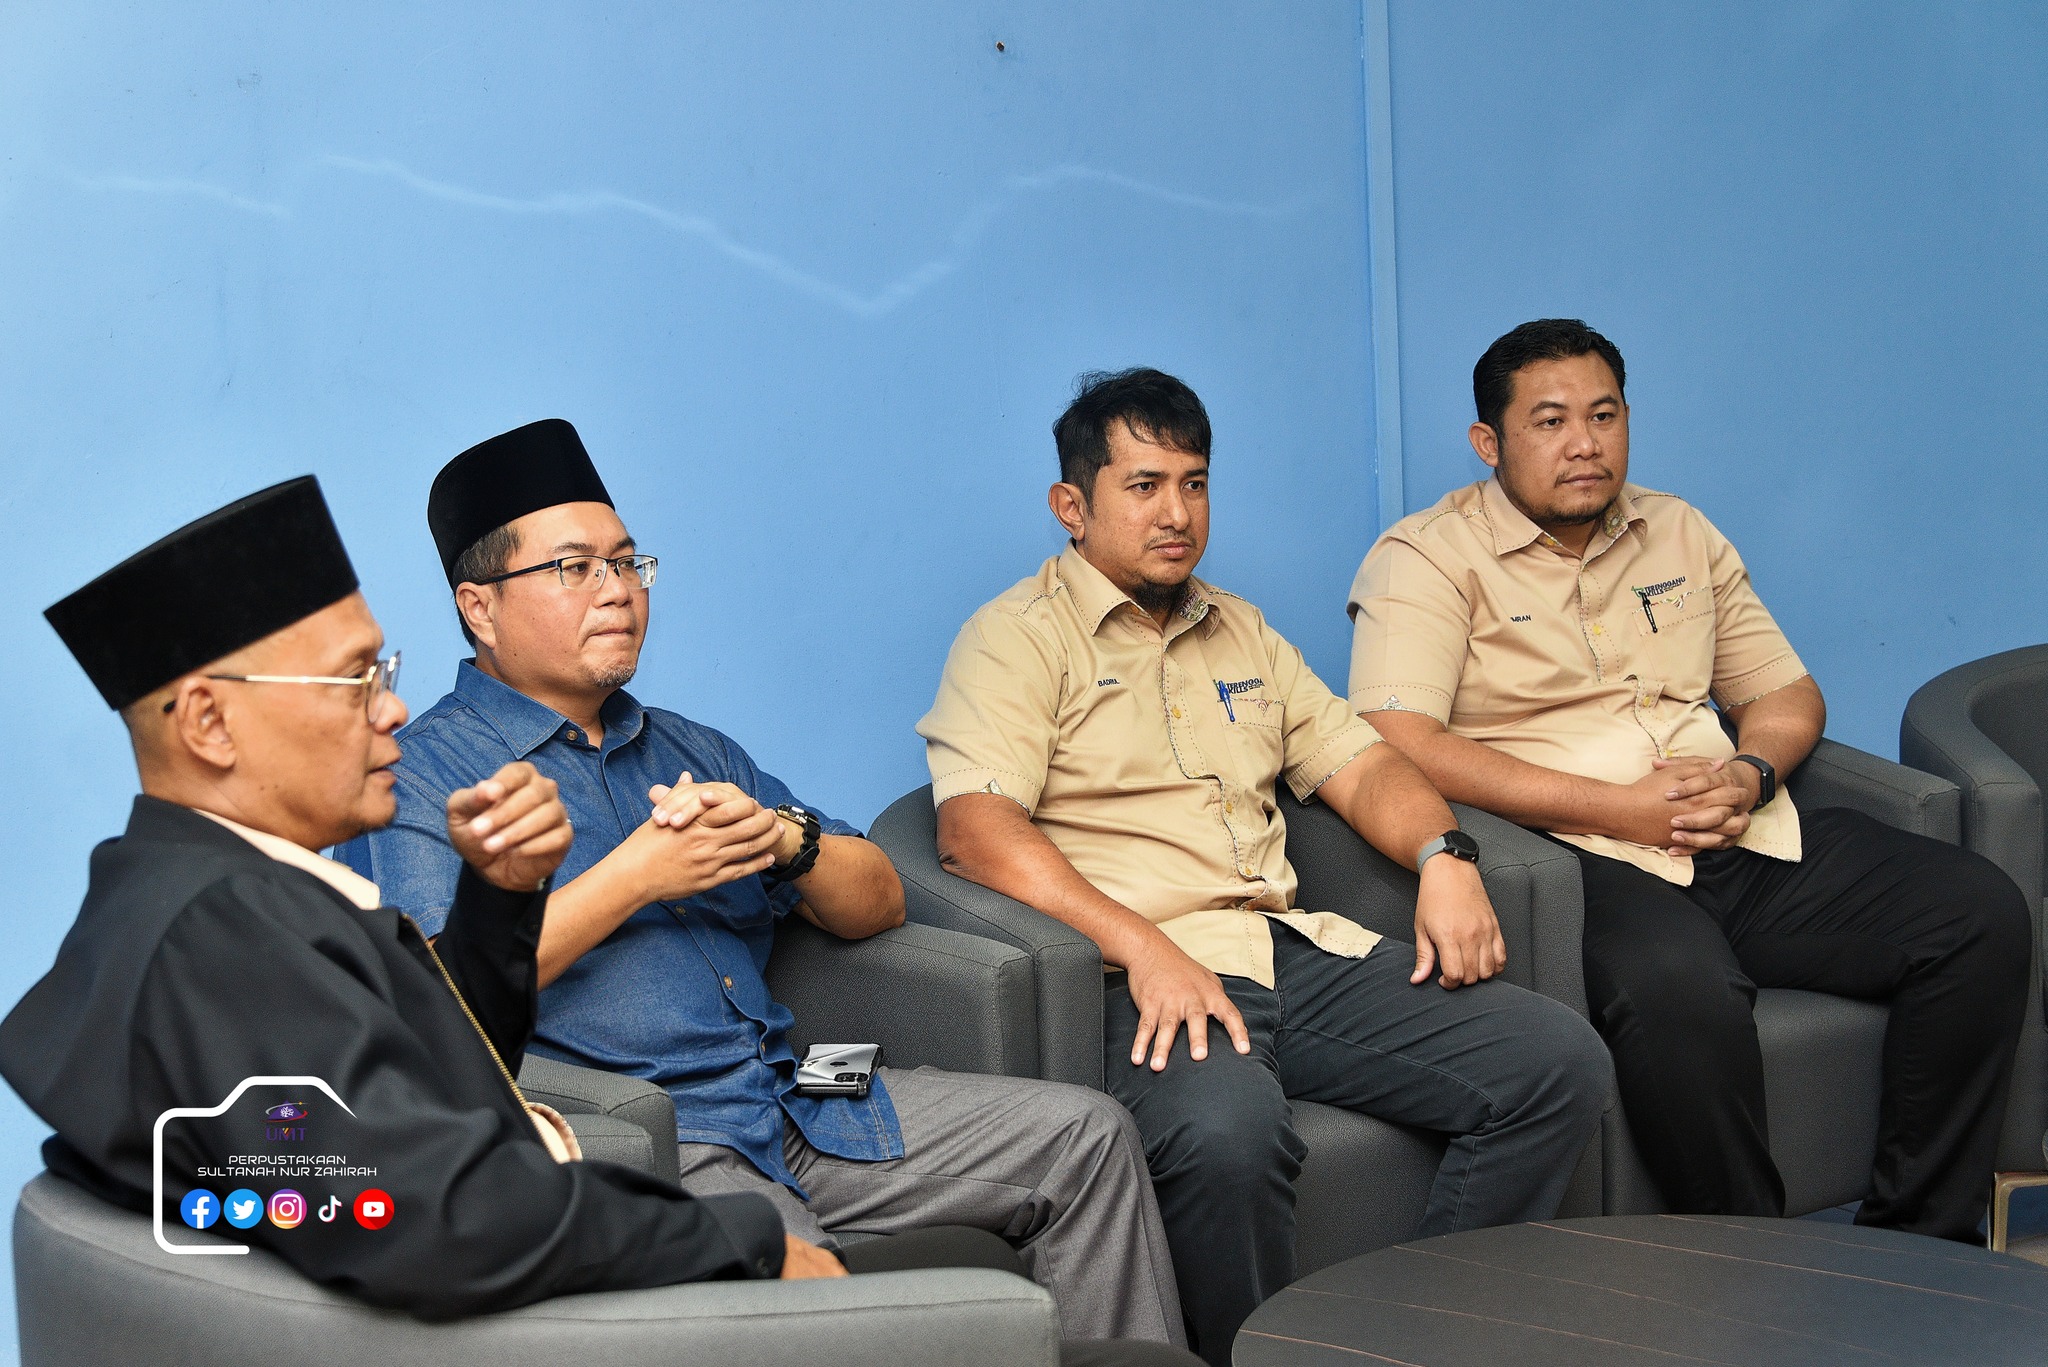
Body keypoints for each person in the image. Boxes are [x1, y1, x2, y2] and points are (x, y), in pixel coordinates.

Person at [341, 419, 1186, 1351]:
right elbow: (434, 997)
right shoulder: (423, 776)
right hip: (660, 1138)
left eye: (627, 563)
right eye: (574, 568)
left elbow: (880, 901)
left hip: (799, 1096)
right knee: (810, 1296)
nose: (617, 590)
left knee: (1090, 1135)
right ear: (480, 606)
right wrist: (637, 876)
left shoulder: (691, 746)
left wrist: (787, 841)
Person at [0, 476, 843, 1316]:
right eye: (354, 680)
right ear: (208, 725)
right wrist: (742, 1238)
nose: (394, 709)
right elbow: (438, 1220)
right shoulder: (221, 938)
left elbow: (424, 1075)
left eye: (384, 671)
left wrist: (497, 902)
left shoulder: (192, 887)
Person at [918, 368, 1611, 1365]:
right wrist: (1143, 946)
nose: (1177, 513)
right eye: (1144, 485)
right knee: (1227, 1137)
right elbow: (973, 831)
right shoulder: (1014, 638)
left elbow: (1363, 763)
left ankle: (1412, 1341)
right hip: (1138, 977)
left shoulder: (1238, 627)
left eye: (1194, 483)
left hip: (1288, 950)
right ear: (1072, 505)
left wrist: (1445, 854)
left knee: (1555, 1061)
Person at [1347, 318, 2031, 1241]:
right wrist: (1616, 809)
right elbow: (1399, 737)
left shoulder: (1677, 530)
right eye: (1550, 421)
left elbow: (1784, 691)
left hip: (1734, 832)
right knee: (1680, 987)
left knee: (1979, 911)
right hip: (1573, 857)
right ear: (1489, 442)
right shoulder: (1425, 556)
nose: (1584, 443)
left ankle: (1917, 1250)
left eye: (1604, 415)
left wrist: (1751, 771)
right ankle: (1753, 1267)